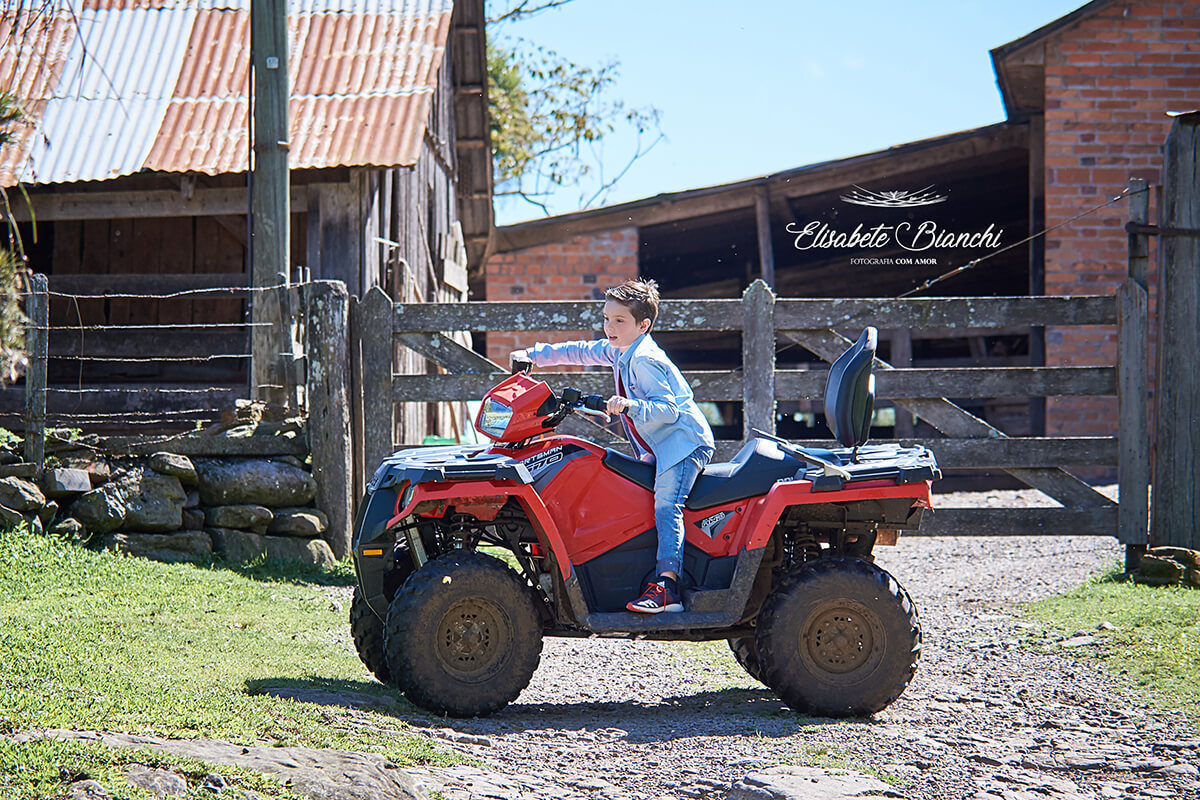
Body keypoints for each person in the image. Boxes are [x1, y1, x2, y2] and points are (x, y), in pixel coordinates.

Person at [511, 278, 715, 613]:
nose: (609, 327)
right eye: (606, 318)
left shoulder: (645, 359)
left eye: (619, 321)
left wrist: (630, 406)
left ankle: (668, 587)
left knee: (667, 506)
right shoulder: (621, 348)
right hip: (659, 445)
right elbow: (580, 350)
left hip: (683, 445)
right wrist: (533, 356)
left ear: (643, 325)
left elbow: (669, 410)